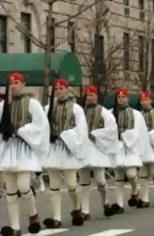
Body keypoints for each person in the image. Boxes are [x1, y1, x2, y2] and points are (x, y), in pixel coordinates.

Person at [0, 72, 50, 236]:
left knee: (23, 185)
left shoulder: (32, 104)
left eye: (16, 83)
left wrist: (21, 131)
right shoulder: (3, 106)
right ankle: (16, 228)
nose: (13, 86)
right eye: (11, 83)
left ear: (23, 85)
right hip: (8, 149)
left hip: (24, 149)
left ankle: (33, 213)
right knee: (11, 190)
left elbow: (41, 126)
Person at [42, 78, 88, 228]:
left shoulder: (76, 109)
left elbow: (81, 130)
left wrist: (65, 135)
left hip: (68, 147)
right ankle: (57, 217)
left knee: (71, 184)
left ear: (67, 89)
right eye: (57, 88)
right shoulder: (48, 107)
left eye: (62, 88)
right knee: (54, 184)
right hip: (54, 148)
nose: (59, 90)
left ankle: (76, 208)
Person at [78, 85, 119, 218]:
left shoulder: (104, 112)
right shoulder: (81, 111)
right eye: (87, 95)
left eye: (92, 95)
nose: (89, 97)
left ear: (96, 96)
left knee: (100, 180)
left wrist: (96, 134)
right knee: (83, 180)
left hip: (97, 149)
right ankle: (85, 210)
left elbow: (112, 130)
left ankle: (105, 201)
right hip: (83, 149)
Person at [110, 87, 148, 214]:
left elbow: (138, 132)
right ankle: (119, 204)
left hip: (130, 148)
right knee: (118, 177)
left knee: (131, 174)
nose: (121, 99)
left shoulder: (135, 114)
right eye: (119, 97)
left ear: (128, 98)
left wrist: (125, 135)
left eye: (123, 97)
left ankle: (135, 190)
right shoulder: (112, 113)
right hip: (117, 148)